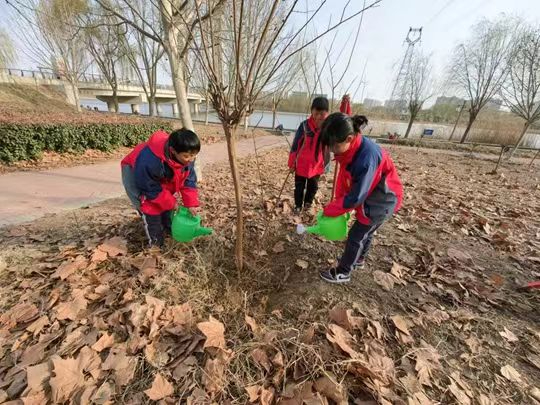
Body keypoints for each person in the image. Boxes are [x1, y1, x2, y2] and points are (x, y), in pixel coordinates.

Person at [316, 113, 403, 283]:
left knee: (357, 235)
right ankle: (359, 260)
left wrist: (332, 210)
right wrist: (338, 201)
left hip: (382, 200)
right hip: (376, 197)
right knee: (367, 233)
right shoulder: (351, 149)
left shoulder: (366, 158)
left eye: (333, 146)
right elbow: (344, 177)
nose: (331, 150)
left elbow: (356, 197)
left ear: (349, 138)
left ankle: (343, 271)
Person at [121, 128, 201, 247]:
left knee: (166, 205)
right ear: (173, 151)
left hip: (161, 173)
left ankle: (168, 229)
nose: (191, 159)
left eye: (194, 155)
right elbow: (150, 188)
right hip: (135, 171)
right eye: (187, 156)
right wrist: (170, 202)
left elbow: (188, 180)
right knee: (149, 207)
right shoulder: (149, 160)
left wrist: (191, 204)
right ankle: (155, 243)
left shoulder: (186, 157)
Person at [288, 97, 330, 213]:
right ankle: (297, 206)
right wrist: (292, 163)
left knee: (313, 187)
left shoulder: (327, 128)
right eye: (316, 113)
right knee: (299, 187)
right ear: (312, 111)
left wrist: (326, 166)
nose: (318, 117)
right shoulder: (304, 126)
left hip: (317, 165)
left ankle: (308, 204)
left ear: (327, 114)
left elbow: (330, 146)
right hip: (301, 164)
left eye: (322, 114)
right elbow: (295, 145)